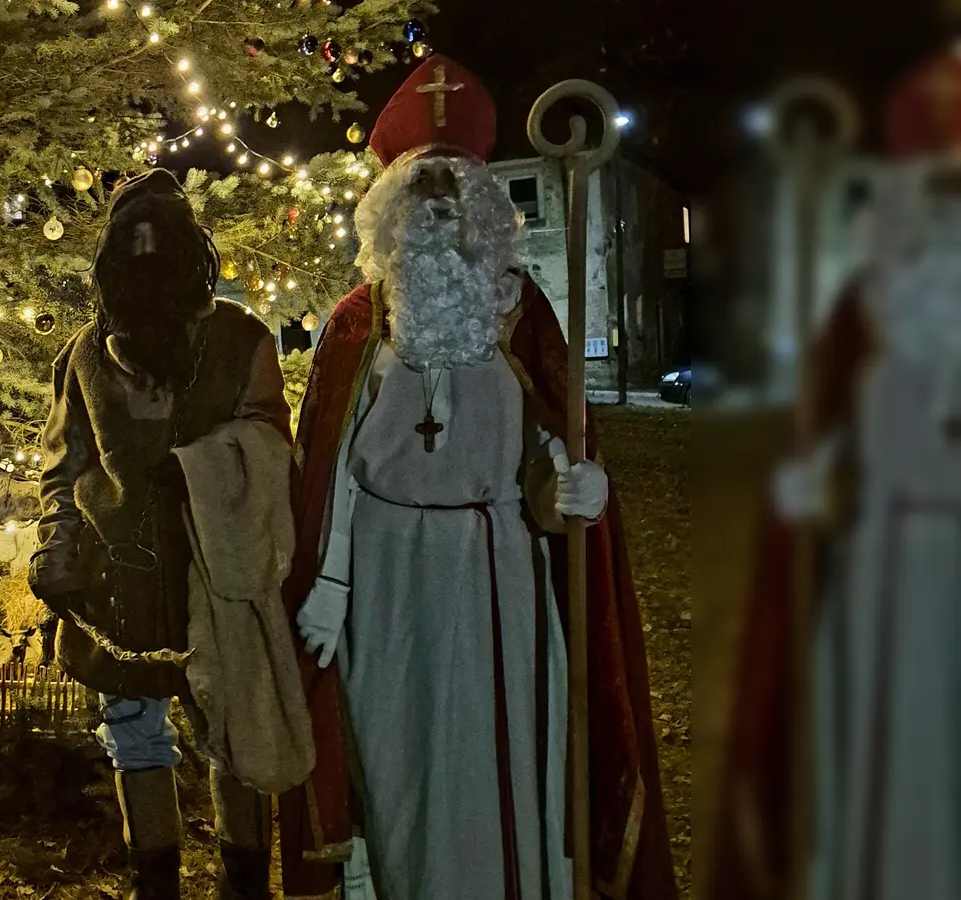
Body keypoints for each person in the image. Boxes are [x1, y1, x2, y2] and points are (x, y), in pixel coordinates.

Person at [277, 55, 677, 900]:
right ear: (389, 206)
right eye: (422, 188)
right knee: (396, 762)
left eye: (456, 185)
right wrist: (332, 581)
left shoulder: (524, 313)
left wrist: (577, 490)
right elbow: (332, 473)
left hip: (499, 579)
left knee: (497, 754)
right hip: (383, 589)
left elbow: (556, 452)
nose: (439, 205)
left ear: (486, 202)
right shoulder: (356, 325)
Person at [711, 51, 961, 900]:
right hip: (881, 580)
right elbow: (813, 458)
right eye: (939, 187)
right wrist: (810, 484)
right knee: (880, 771)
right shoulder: (867, 306)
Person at [30, 168, 292, 900]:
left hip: (218, 574)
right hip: (122, 582)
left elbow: (272, 442)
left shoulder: (240, 340)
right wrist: (54, 550)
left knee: (232, 734)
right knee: (134, 729)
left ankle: (245, 887)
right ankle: (158, 888)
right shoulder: (84, 354)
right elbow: (64, 463)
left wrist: (203, 467)